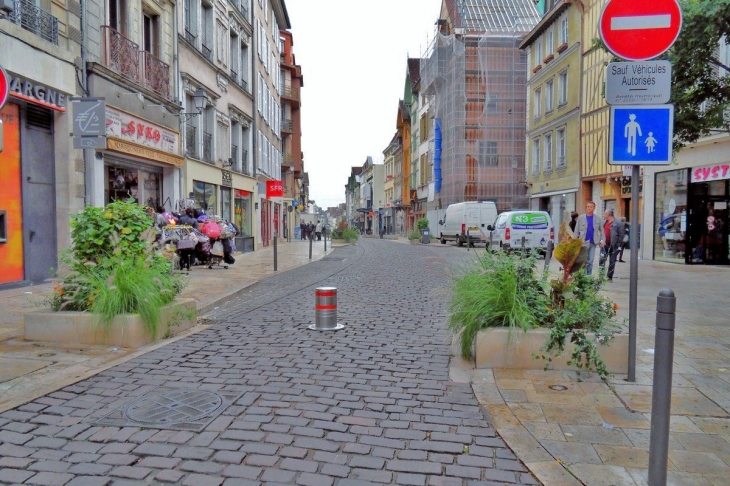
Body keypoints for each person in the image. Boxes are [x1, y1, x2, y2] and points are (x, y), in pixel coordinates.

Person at [574, 201, 605, 275]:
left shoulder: (598, 219)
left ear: (594, 208)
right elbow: (576, 231)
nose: (589, 208)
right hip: (583, 243)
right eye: (587, 206)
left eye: (590, 207)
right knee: (583, 261)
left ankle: (588, 277)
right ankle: (582, 276)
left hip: (593, 243)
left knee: (590, 261)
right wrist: (574, 242)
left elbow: (602, 231)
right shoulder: (581, 218)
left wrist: (603, 240)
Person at [603, 209, 625, 281]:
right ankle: (601, 276)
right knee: (602, 260)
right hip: (604, 244)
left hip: (614, 245)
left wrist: (618, 244)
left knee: (612, 261)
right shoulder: (604, 222)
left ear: (608, 214)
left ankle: (609, 277)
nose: (603, 215)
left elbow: (621, 235)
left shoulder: (618, 223)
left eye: (604, 213)